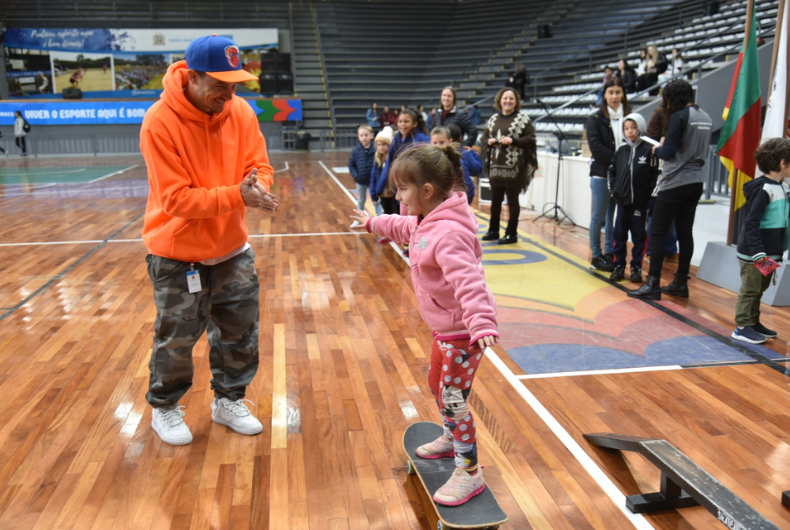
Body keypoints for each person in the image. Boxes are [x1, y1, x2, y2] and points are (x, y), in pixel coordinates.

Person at [139, 34, 278, 446]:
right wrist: (239, 195)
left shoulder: (241, 111)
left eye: (234, 84)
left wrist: (258, 187)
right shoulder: (159, 122)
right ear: (193, 77)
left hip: (232, 250)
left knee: (240, 333)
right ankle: (165, 407)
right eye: (220, 84)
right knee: (177, 341)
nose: (229, 94)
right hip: (178, 256)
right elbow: (176, 200)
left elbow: (260, 165)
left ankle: (229, 400)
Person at [349, 143, 498, 507]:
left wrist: (481, 322)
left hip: (464, 334)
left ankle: (469, 472)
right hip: (445, 330)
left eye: (402, 189)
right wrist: (373, 222)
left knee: (453, 400)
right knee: (437, 385)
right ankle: (451, 438)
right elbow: (402, 226)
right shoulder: (425, 221)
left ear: (427, 191)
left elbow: (469, 282)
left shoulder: (449, 234)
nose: (397, 196)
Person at [628, 79, 712, 300]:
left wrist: (657, 148)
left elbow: (669, 152)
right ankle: (681, 283)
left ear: (673, 98)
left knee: (657, 231)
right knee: (685, 231)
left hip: (675, 181)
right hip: (696, 181)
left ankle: (653, 283)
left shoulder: (679, 117)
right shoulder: (705, 117)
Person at [731, 138, 790, 344]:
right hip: (756, 254)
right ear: (782, 163)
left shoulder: (782, 187)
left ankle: (753, 322)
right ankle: (741, 327)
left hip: (770, 252)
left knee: (760, 289)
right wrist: (758, 253)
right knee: (750, 290)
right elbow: (751, 223)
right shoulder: (764, 189)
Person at [480, 87, 537, 245]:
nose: (508, 101)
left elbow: (531, 139)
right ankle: (493, 230)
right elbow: (483, 138)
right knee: (495, 201)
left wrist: (514, 141)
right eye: (505, 98)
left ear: (516, 101)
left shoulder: (523, 119)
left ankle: (511, 233)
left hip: (514, 168)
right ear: (499, 100)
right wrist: (488, 141)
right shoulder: (493, 119)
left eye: (511, 98)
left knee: (512, 201)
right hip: (495, 167)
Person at [607, 113, 659, 283]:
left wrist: (651, 197)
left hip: (640, 204)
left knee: (639, 237)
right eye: (626, 128)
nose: (629, 131)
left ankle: (636, 267)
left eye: (634, 128)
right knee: (619, 235)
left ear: (641, 128)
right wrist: (614, 191)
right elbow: (612, 171)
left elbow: (656, 175)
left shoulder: (649, 150)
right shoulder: (621, 150)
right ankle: (619, 266)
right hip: (622, 203)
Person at [586, 76, 629, 271]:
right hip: (601, 174)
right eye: (610, 92)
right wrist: (620, 159)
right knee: (599, 217)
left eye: (618, 92)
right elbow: (596, 147)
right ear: (604, 95)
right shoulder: (595, 118)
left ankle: (610, 253)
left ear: (623, 94)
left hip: (621, 175)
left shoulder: (629, 117)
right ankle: (596, 256)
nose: (614, 96)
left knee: (613, 216)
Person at [373, 108, 430, 213]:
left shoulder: (422, 139)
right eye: (400, 121)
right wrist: (380, 187)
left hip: (415, 184)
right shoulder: (396, 139)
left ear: (414, 124)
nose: (402, 124)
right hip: (398, 184)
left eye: (406, 121)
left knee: (413, 213)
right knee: (399, 213)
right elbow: (389, 164)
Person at [431, 125, 480, 205]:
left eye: (442, 142)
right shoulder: (429, 162)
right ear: (430, 142)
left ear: (450, 141)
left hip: (455, 204)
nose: (438, 146)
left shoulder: (456, 161)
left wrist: (465, 203)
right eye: (435, 143)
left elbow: (467, 185)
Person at [349, 124, 380, 228]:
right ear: (359, 137)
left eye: (366, 135)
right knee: (361, 201)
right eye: (361, 135)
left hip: (373, 182)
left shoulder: (376, 149)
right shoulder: (355, 151)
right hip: (360, 181)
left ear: (371, 135)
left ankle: (380, 220)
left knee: (376, 201)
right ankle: (358, 220)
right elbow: (351, 164)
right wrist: (355, 176)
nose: (364, 138)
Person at [370, 127, 395, 239]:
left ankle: (395, 234)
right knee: (387, 212)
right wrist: (373, 192)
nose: (381, 147)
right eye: (379, 145)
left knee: (395, 213)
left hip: (393, 193)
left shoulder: (393, 159)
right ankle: (388, 233)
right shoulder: (377, 159)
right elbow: (373, 176)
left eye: (384, 144)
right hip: (383, 193)